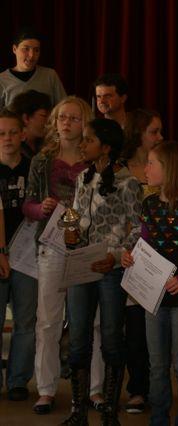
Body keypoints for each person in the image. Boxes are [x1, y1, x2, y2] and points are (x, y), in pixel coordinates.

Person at [121, 141, 178, 426]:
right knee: (157, 364)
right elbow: (144, 244)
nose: (146, 169)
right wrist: (130, 257)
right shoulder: (149, 205)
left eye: (151, 163)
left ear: (169, 168)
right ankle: (159, 419)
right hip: (154, 297)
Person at [61, 118, 142, 425]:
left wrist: (117, 255)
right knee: (78, 338)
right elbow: (74, 213)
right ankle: (78, 411)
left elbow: (139, 228)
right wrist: (69, 230)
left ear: (106, 147)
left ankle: (109, 411)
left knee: (111, 338)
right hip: (82, 263)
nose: (82, 145)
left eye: (89, 140)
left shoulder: (128, 182)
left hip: (110, 267)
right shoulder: (82, 177)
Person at [22, 96, 94, 414]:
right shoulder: (42, 160)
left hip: (84, 247)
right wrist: (41, 208)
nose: (66, 123)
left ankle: (93, 389)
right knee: (48, 321)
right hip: (51, 245)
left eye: (74, 118)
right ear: (54, 121)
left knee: (88, 322)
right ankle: (46, 389)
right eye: (62, 117)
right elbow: (28, 205)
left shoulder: (93, 160)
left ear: (85, 123)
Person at [120, 108, 163, 414]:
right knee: (134, 329)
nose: (160, 137)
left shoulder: (165, 168)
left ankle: (158, 389)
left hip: (161, 255)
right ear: (138, 134)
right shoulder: (120, 171)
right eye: (154, 132)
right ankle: (136, 389)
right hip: (130, 258)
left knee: (157, 330)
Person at [0, 109, 34, 402]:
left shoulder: (33, 168)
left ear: (23, 134)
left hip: (27, 256)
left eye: (12, 132)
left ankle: (18, 381)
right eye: (1, 134)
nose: (7, 138)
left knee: (26, 320)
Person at [0, 28, 66, 109]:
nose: (31, 55)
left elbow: (64, 107)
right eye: (26, 49)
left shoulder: (50, 75)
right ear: (14, 49)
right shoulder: (2, 80)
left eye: (36, 50)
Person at [8, 89, 51, 160]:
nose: (49, 121)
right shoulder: (14, 148)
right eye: (44, 116)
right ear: (25, 118)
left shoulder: (44, 142)